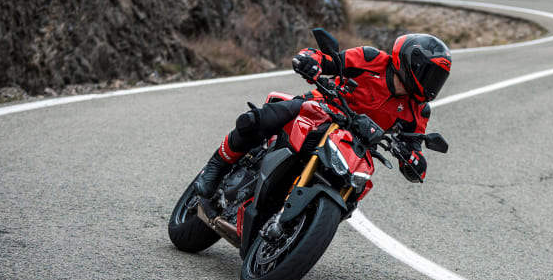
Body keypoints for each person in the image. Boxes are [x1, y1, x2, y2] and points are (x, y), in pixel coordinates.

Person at [192, 33, 452, 198]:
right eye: (429, 74)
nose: (432, 84)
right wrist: (310, 60)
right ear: (410, 62)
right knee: (260, 119)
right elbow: (330, 60)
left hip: (355, 146)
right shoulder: (372, 59)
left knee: (357, 189)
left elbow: (413, 144)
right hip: (322, 109)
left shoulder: (418, 109)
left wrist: (415, 161)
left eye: (437, 79)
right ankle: (217, 165)